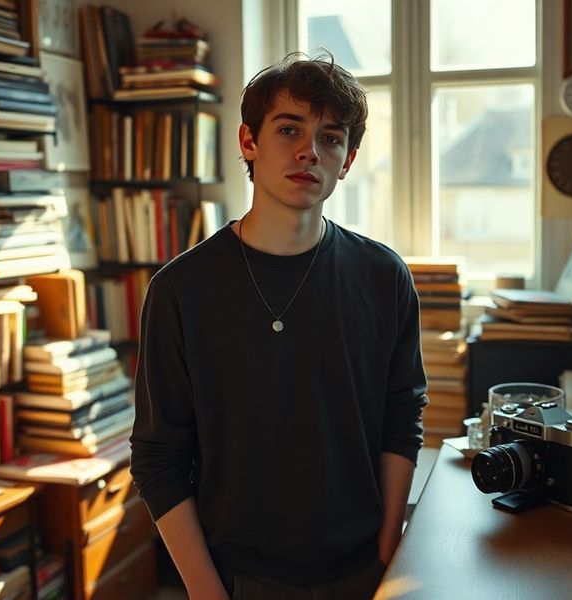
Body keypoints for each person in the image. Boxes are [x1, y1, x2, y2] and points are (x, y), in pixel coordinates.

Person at [130, 51, 428, 600]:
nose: (308, 151)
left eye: (330, 138)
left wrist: (389, 547)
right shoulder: (180, 290)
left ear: (347, 160)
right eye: (289, 129)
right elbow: (158, 456)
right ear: (249, 142)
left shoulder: (384, 276)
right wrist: (206, 590)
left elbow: (401, 414)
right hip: (237, 577)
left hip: (367, 567)